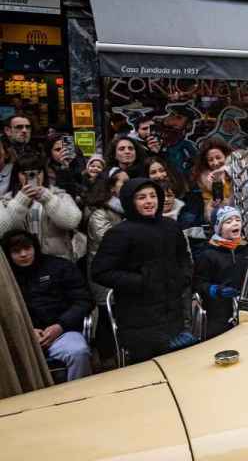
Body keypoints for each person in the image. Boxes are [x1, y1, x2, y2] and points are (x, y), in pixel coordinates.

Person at [91, 179, 195, 363]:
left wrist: (183, 277)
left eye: (153, 196)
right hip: (138, 319)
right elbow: (100, 271)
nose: (149, 201)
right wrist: (141, 281)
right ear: (130, 201)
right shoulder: (119, 233)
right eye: (141, 197)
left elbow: (184, 257)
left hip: (173, 314)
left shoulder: (170, 226)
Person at [3, 229, 93, 381]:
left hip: (62, 332)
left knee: (78, 352)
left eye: (27, 248)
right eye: (16, 251)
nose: (24, 254)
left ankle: (79, 397)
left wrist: (60, 326)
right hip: (23, 340)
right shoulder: (5, 279)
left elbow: (83, 301)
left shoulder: (59, 267)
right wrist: (27, 331)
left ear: (35, 247)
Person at [0, 154, 82, 263]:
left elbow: (72, 222)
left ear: (44, 173)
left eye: (37, 172)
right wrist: (20, 201)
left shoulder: (60, 196)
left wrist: (48, 199)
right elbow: (2, 231)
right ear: (17, 175)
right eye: (25, 173)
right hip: (20, 263)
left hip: (56, 263)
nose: (33, 177)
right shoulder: (6, 201)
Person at [194, 206, 248, 338]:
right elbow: (197, 282)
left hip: (244, 308)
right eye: (228, 222)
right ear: (218, 228)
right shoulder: (208, 254)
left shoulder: (246, 248)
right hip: (218, 313)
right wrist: (213, 289)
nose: (235, 223)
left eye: (237, 220)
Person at [192, 138, 234, 225]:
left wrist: (226, 169)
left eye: (218, 157)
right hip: (217, 216)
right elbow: (218, 197)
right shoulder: (205, 176)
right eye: (210, 160)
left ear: (226, 156)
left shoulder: (233, 166)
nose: (215, 163)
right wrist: (218, 176)